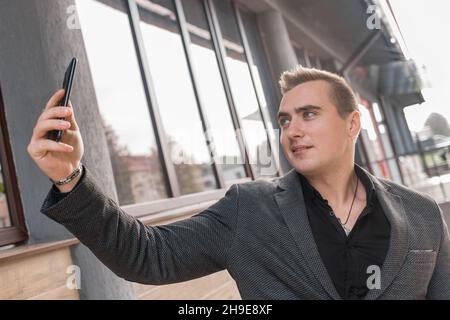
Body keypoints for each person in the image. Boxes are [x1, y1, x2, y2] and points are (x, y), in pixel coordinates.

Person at [28, 66, 450, 299]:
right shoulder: (250, 209)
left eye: (309, 114)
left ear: (352, 122)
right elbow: (146, 255)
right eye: (284, 120)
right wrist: (70, 176)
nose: (292, 131)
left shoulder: (423, 214)